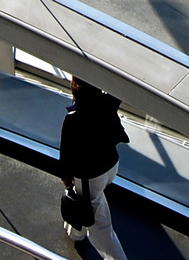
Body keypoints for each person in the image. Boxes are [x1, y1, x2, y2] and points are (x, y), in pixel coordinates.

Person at [58, 77, 130, 260]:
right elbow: (119, 89)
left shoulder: (73, 118)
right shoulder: (106, 102)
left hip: (90, 176)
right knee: (82, 198)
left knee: (100, 227)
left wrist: (66, 176)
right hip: (112, 165)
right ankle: (76, 233)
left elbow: (66, 152)